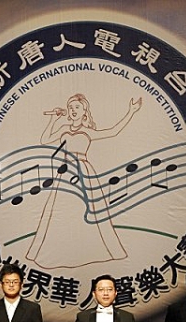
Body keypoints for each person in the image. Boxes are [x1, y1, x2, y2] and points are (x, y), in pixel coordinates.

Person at [28, 94, 141, 269]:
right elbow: (45, 140)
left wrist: (131, 111)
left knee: (90, 211)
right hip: (65, 173)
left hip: (83, 171)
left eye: (77, 108)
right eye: (71, 107)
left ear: (84, 111)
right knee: (59, 211)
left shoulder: (87, 131)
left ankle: (94, 250)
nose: (73, 111)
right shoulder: (64, 128)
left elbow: (113, 131)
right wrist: (52, 120)